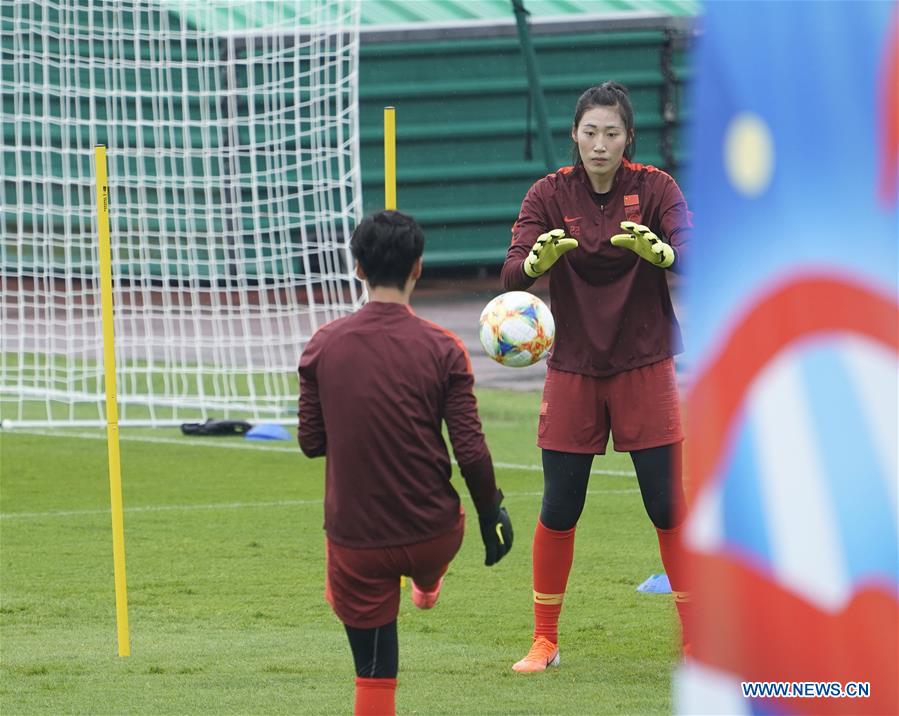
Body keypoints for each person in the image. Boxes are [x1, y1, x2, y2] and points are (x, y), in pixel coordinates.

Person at [501, 81, 691, 673]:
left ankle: (698, 643)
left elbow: (698, 249)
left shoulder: (656, 186)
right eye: (591, 132)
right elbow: (512, 273)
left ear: (628, 138)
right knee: (560, 506)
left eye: (612, 133)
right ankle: (544, 642)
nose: (600, 144)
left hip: (645, 362)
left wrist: (666, 255)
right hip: (574, 368)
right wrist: (536, 264)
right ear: (575, 137)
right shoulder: (549, 193)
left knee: (667, 506)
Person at [298, 210, 514, 715]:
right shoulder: (444, 348)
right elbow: (471, 452)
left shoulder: (323, 345)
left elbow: (311, 443)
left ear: (357, 269)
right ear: (418, 268)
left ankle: (405, 586)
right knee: (426, 547)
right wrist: (490, 514)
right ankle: (427, 578)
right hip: (435, 534)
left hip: (357, 542)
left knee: (373, 676)